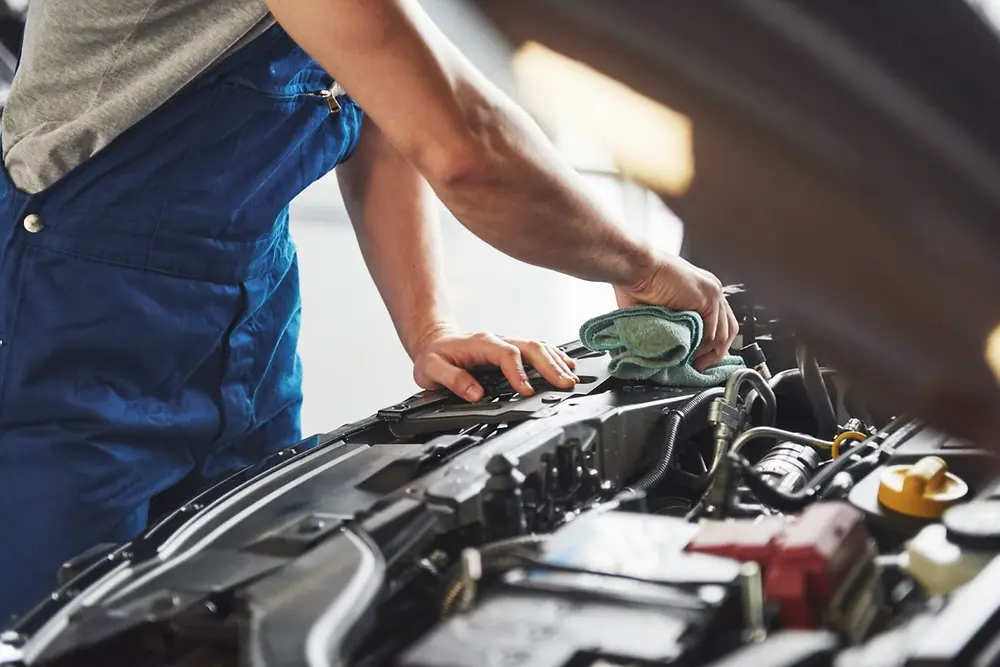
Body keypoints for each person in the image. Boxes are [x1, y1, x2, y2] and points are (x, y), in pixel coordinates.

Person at [0, 0, 738, 621]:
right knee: (61, 620)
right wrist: (642, 267)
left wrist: (430, 327)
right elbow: (468, 149)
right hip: (72, 321)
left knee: (249, 602)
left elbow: (385, 107)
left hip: (245, 313)